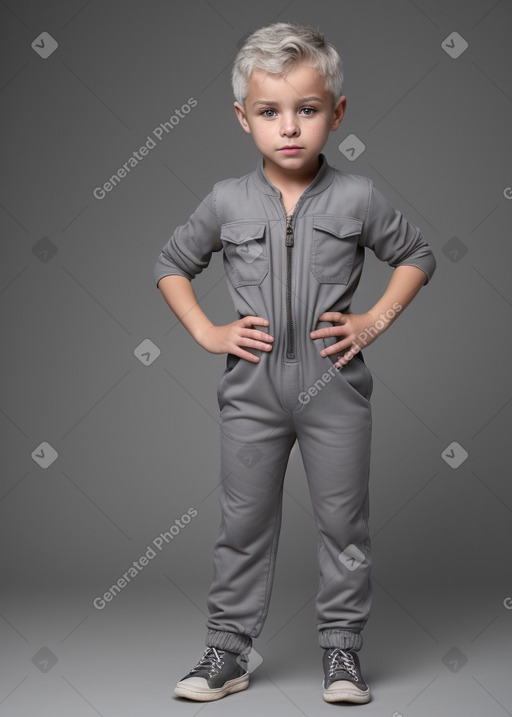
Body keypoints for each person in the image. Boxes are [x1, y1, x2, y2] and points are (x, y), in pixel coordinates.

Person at [153, 21, 436, 704]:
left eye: (307, 110)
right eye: (270, 111)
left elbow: (418, 256)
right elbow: (170, 264)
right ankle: (228, 649)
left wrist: (373, 321)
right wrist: (207, 332)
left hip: (335, 389)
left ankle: (342, 653)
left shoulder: (359, 197)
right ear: (242, 117)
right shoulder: (225, 200)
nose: (289, 128)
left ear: (335, 114)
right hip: (251, 394)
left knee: (345, 523)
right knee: (243, 523)